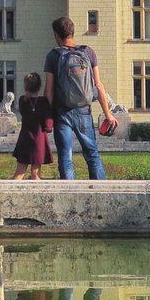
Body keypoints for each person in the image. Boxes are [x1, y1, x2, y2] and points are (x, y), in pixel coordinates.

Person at [42, 15, 115, 180]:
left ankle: (69, 195)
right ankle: (100, 193)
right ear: (73, 33)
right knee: (92, 154)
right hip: (83, 111)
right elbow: (98, 85)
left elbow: (49, 90)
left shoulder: (53, 55)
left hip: (62, 113)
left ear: (57, 35)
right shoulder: (88, 52)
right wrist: (108, 114)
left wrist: (47, 115)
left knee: (65, 157)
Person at [11, 72, 54, 181]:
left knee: (19, 173)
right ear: (40, 87)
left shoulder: (22, 100)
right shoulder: (43, 102)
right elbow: (48, 125)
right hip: (38, 140)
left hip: (24, 139)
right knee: (36, 175)